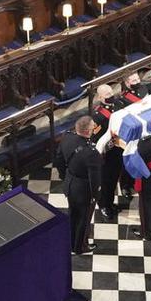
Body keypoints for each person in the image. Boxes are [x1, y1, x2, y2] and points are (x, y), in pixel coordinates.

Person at [53, 116, 102, 255]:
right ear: (88, 131)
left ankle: (70, 241)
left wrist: (65, 176)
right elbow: (95, 179)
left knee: (73, 214)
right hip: (84, 190)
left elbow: (59, 159)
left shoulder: (67, 137)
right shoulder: (91, 153)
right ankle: (80, 246)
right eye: (93, 128)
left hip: (70, 183)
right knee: (83, 219)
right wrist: (95, 195)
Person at [92, 85, 123, 221]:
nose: (110, 95)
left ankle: (110, 203)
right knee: (107, 181)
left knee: (115, 178)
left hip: (118, 149)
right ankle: (104, 205)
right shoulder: (98, 116)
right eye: (107, 94)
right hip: (107, 154)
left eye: (111, 92)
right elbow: (95, 138)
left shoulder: (119, 105)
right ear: (100, 97)